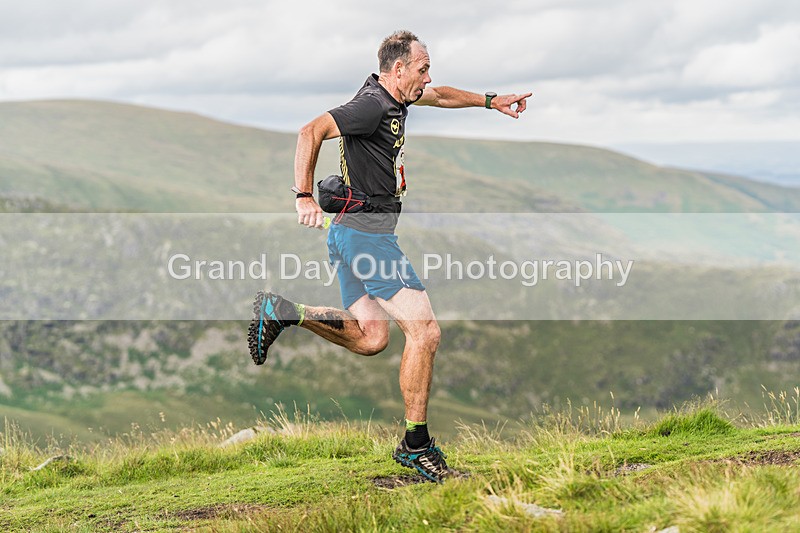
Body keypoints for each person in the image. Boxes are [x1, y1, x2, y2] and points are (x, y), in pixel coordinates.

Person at [248, 30, 531, 482]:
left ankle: (282, 312)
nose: (428, 76)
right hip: (367, 236)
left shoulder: (395, 97)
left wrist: (489, 100)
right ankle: (415, 446)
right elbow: (311, 130)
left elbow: (439, 95)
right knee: (426, 333)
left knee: (371, 338)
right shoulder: (372, 106)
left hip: (348, 233)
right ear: (397, 69)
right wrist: (302, 196)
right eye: (422, 67)